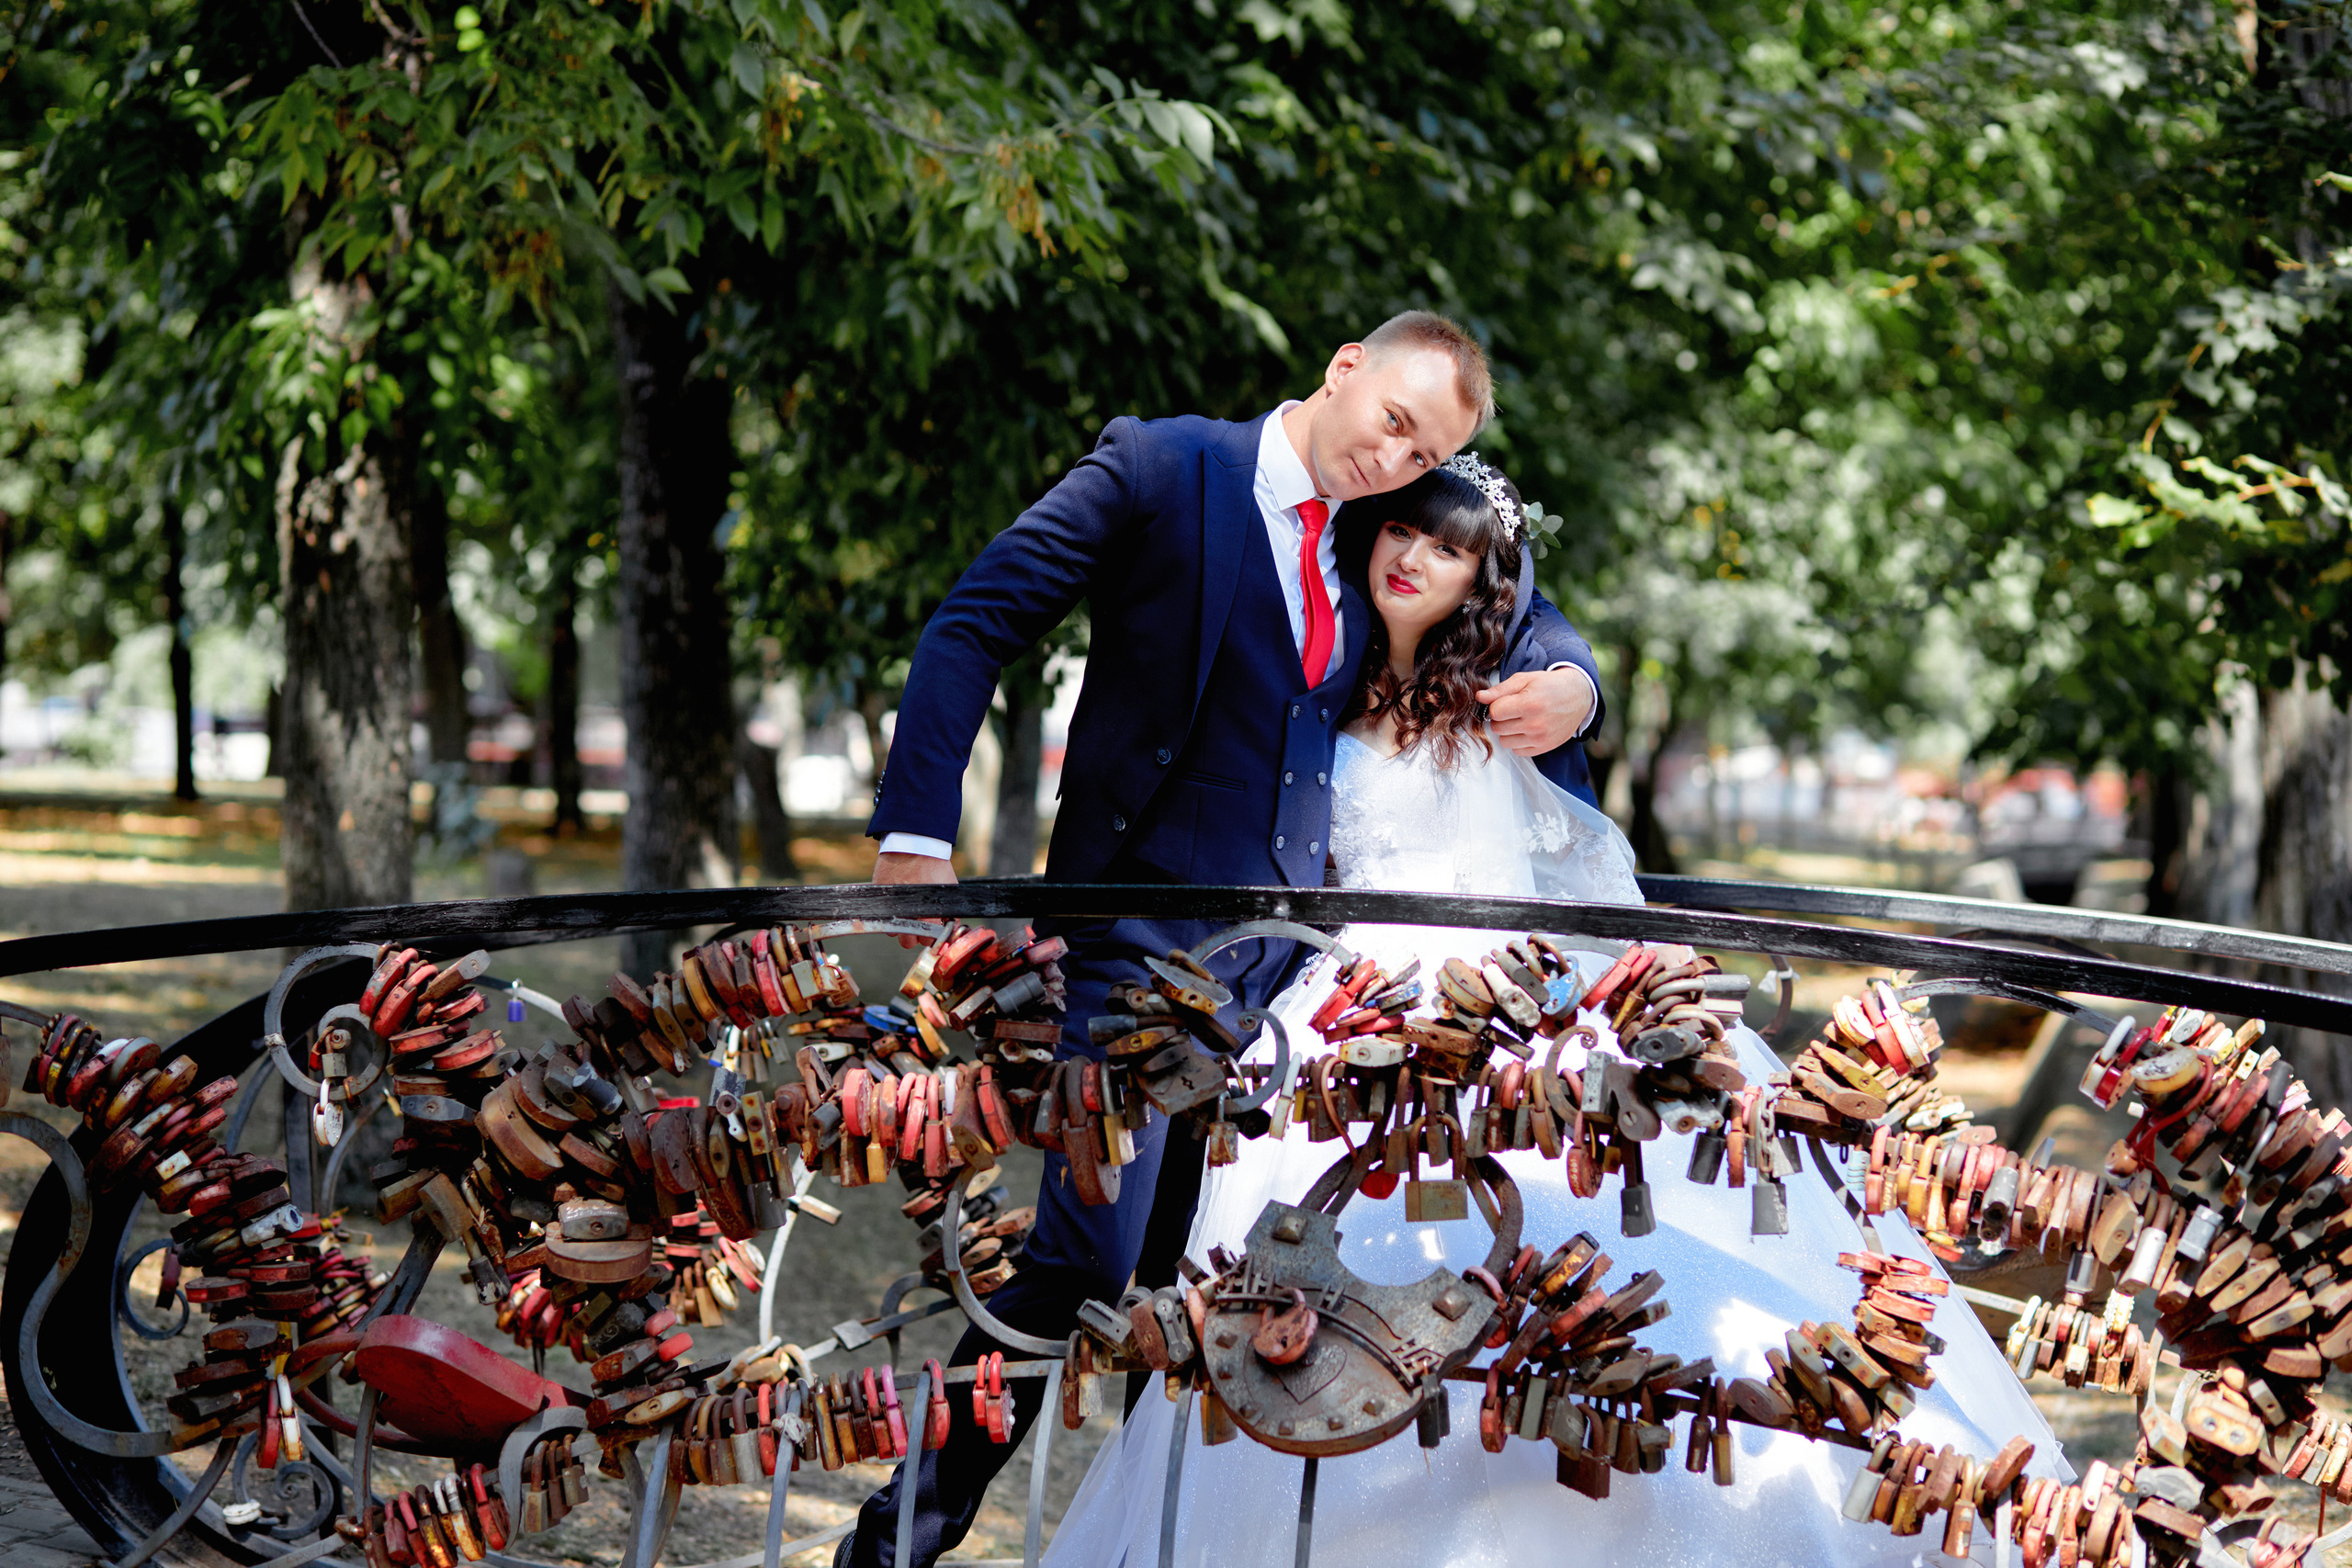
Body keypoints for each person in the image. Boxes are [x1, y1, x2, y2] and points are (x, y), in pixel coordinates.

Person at [1041, 460, 2069, 1567]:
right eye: (1400, 532)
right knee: (1304, 1286)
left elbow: (1563, 701)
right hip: (1345, 1018)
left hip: (1502, 1006)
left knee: (1550, 1265)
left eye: (1448, 549)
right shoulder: (1314, 692)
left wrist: (1575, 688)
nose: (1413, 558)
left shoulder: (1506, 701)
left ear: (1485, 579)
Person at [850, 313, 1609, 1568]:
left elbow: (1518, 600)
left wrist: (1575, 684)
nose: (1401, 458)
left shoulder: (1378, 524)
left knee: (1222, 1293)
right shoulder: (1162, 466)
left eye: (1432, 450)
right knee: (1078, 1269)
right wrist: (916, 832)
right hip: (1138, 956)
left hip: (1289, 991)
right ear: (1345, 369)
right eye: (1397, 420)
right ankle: (894, 1543)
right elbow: (974, 619)